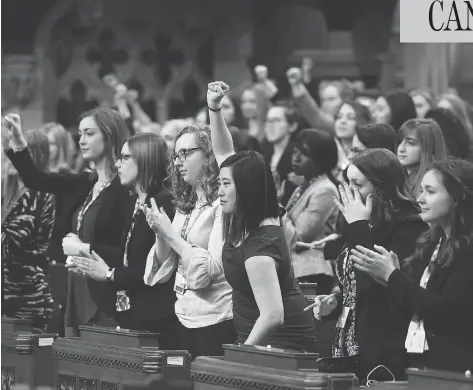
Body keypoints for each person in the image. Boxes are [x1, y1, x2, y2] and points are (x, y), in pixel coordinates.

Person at [208, 80, 317, 351]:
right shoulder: (238, 215)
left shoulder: (260, 247)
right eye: (219, 183)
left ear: (246, 189)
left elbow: (272, 316)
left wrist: (240, 355)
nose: (219, 191)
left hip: (282, 346)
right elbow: (223, 153)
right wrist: (215, 108)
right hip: (253, 337)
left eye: (226, 185)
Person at [4, 108, 132, 336]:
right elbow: (36, 179)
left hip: (105, 297)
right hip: (76, 290)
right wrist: (19, 142)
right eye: (80, 134)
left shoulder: (124, 189)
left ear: (110, 136)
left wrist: (83, 248)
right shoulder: (85, 182)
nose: (81, 141)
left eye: (89, 134)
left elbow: (126, 251)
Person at [314, 149, 427, 383]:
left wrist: (358, 227)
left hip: (384, 343)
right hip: (350, 341)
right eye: (347, 183)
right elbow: (349, 274)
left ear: (381, 186)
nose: (350, 192)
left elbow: (373, 280)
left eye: (357, 184)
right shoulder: (361, 221)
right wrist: (335, 296)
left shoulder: (409, 225)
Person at [350, 159, 473, 372]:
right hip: (418, 361)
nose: (420, 199)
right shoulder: (431, 242)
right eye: (421, 190)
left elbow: (448, 312)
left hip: (453, 368)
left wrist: (394, 277)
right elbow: (412, 307)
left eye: (431, 192)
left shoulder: (467, 250)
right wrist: (392, 279)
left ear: (458, 197)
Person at [68, 133, 178, 347]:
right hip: (132, 313)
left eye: (126, 157)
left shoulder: (162, 203)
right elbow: (126, 255)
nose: (118, 163)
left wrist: (109, 274)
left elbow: (156, 270)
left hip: (157, 321)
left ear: (145, 161)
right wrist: (92, 265)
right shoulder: (135, 202)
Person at [143, 123, 234, 359]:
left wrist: (170, 234)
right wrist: (159, 230)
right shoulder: (186, 203)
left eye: (186, 153)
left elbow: (211, 270)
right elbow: (165, 267)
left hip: (216, 316)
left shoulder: (221, 205)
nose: (177, 162)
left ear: (209, 156)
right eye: (176, 155)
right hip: (184, 313)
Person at [2, 124, 55, 332]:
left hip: (25, 294)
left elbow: (7, 244)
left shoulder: (37, 193)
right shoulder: (13, 191)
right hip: (9, 290)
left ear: (36, 156)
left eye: (20, 150)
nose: (13, 155)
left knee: (22, 361)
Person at [283, 129, 340, 295]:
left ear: (321, 158)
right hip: (296, 270)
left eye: (304, 153)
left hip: (312, 273)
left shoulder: (325, 190)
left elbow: (299, 239)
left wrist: (275, 207)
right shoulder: (304, 186)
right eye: (295, 151)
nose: (296, 157)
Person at [397, 119, 447, 196]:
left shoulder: (433, 184)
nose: (401, 148)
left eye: (410, 143)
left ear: (429, 148)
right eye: (400, 142)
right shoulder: (397, 180)